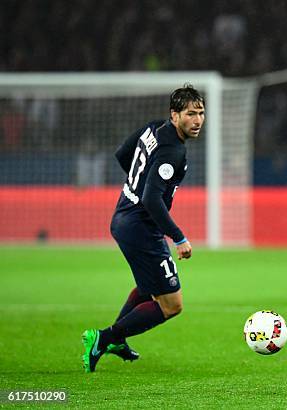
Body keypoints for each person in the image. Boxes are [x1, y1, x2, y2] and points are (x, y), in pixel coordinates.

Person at [81, 84, 205, 373]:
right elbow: (151, 198)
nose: (197, 120)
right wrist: (179, 237)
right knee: (172, 304)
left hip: (124, 216)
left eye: (200, 113)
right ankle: (104, 338)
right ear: (175, 115)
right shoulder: (173, 151)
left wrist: (136, 185)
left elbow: (122, 154)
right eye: (190, 114)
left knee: (149, 288)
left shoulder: (152, 129)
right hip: (140, 226)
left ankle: (117, 340)